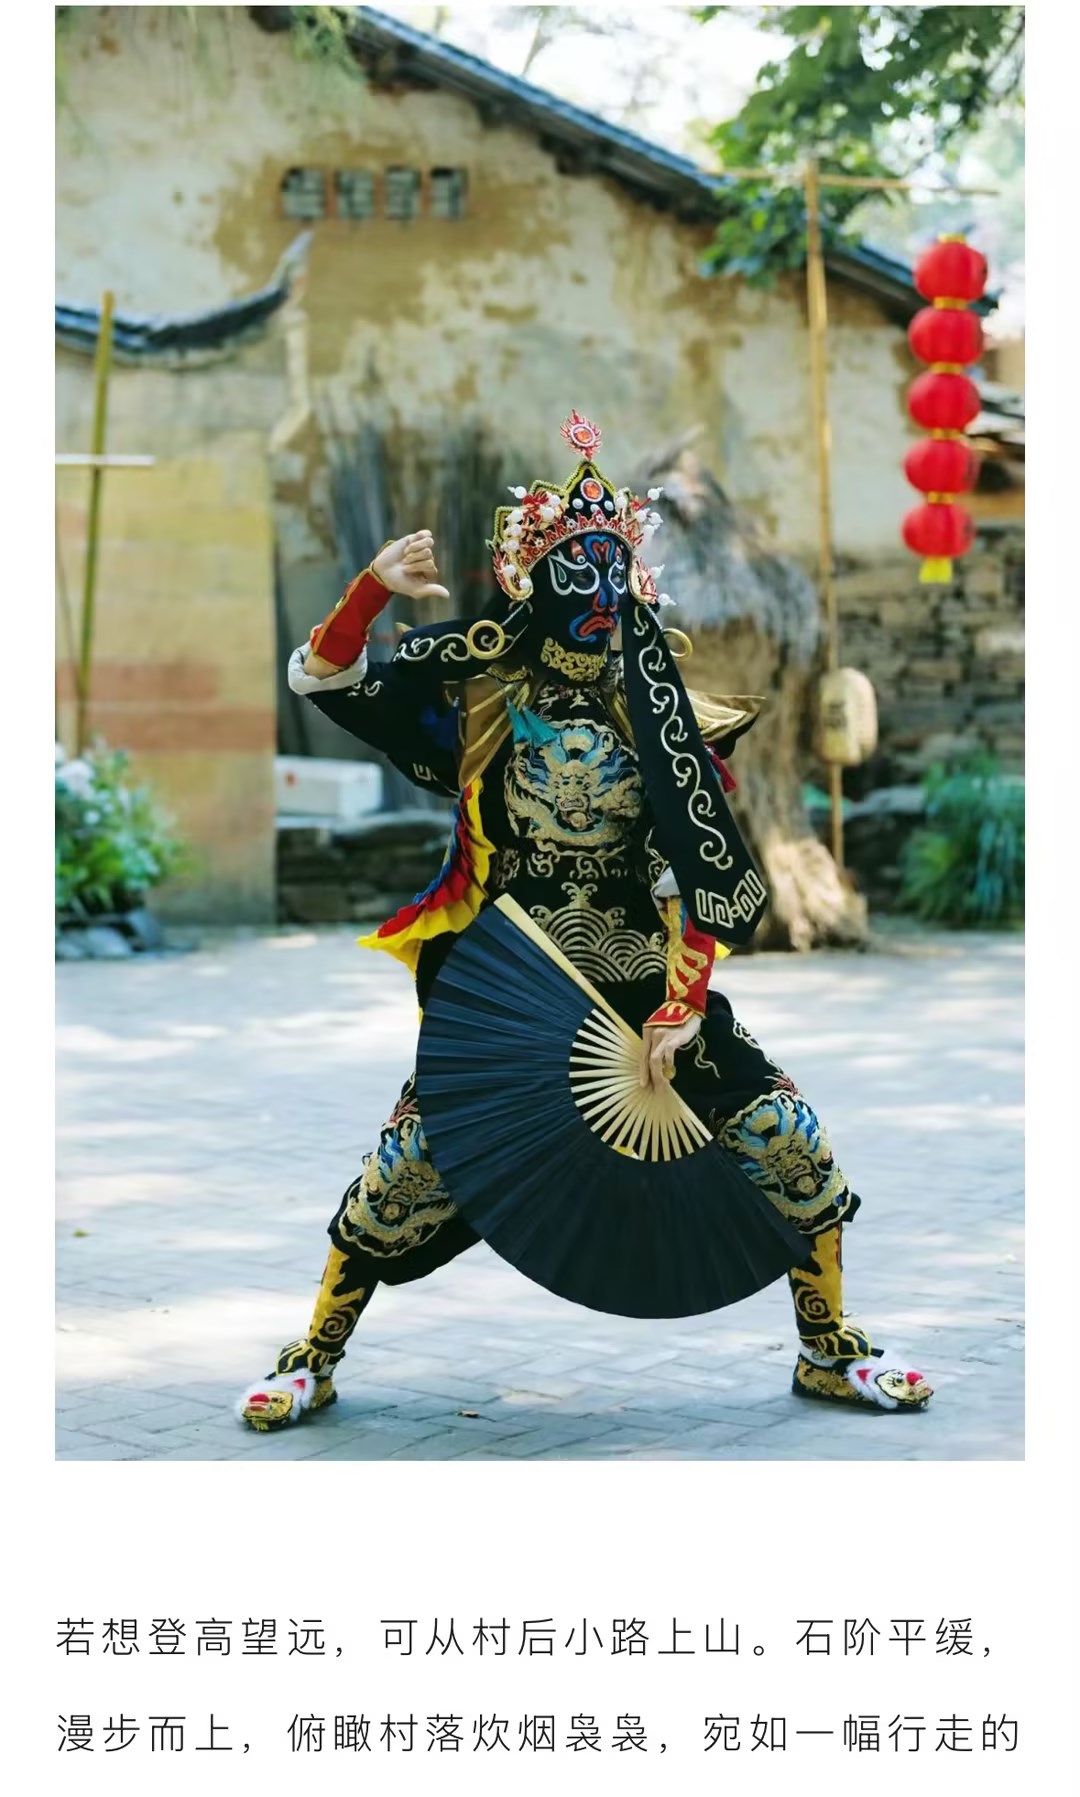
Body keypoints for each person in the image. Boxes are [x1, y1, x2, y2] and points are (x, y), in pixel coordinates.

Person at [237, 414, 931, 1430]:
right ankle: (316, 1350)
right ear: (534, 580)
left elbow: (695, 871)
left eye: (614, 567)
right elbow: (329, 675)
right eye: (577, 567)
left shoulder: (658, 710)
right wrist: (374, 587)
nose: (598, 588)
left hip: (644, 975)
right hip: (515, 983)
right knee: (408, 1169)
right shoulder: (480, 699)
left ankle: (829, 1348)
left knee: (788, 1138)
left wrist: (684, 1004)